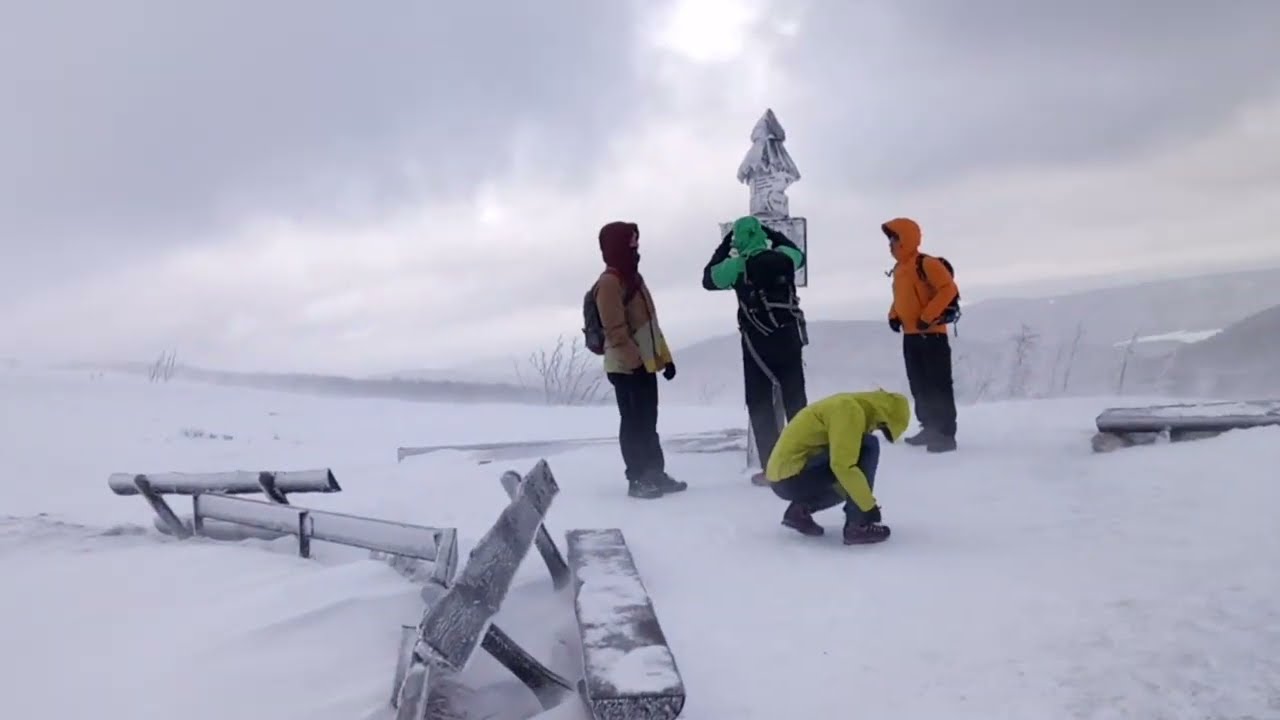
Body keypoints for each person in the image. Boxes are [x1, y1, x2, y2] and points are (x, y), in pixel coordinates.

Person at [701, 215, 809, 485]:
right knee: (796, 401)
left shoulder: (738, 265)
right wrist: (770, 232)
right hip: (790, 338)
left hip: (757, 343)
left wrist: (727, 243)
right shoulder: (784, 258)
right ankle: (805, 461)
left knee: (760, 403)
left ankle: (773, 469)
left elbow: (708, 278)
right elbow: (799, 255)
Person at [594, 220, 687, 499]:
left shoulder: (635, 279)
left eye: (637, 239)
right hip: (625, 368)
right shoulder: (609, 283)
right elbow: (615, 331)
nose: (636, 245)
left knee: (648, 421)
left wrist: (664, 359)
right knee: (633, 421)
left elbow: (651, 325)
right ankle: (637, 478)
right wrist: (634, 363)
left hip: (644, 364)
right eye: (631, 240)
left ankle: (654, 473)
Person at [764, 390, 910, 545]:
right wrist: (867, 507)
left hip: (784, 477)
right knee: (867, 446)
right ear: (882, 415)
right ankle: (858, 525)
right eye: (882, 426)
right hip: (792, 475)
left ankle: (799, 511)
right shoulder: (849, 410)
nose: (876, 428)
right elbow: (842, 465)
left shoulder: (849, 405)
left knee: (849, 484)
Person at [884, 217, 959, 453]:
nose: (890, 244)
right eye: (890, 239)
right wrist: (893, 315)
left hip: (932, 335)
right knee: (919, 385)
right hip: (912, 336)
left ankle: (946, 435)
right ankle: (929, 427)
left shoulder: (926, 263)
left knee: (938, 385)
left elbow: (948, 289)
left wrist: (928, 316)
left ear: (905, 239)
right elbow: (901, 298)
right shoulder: (899, 269)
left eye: (894, 239)